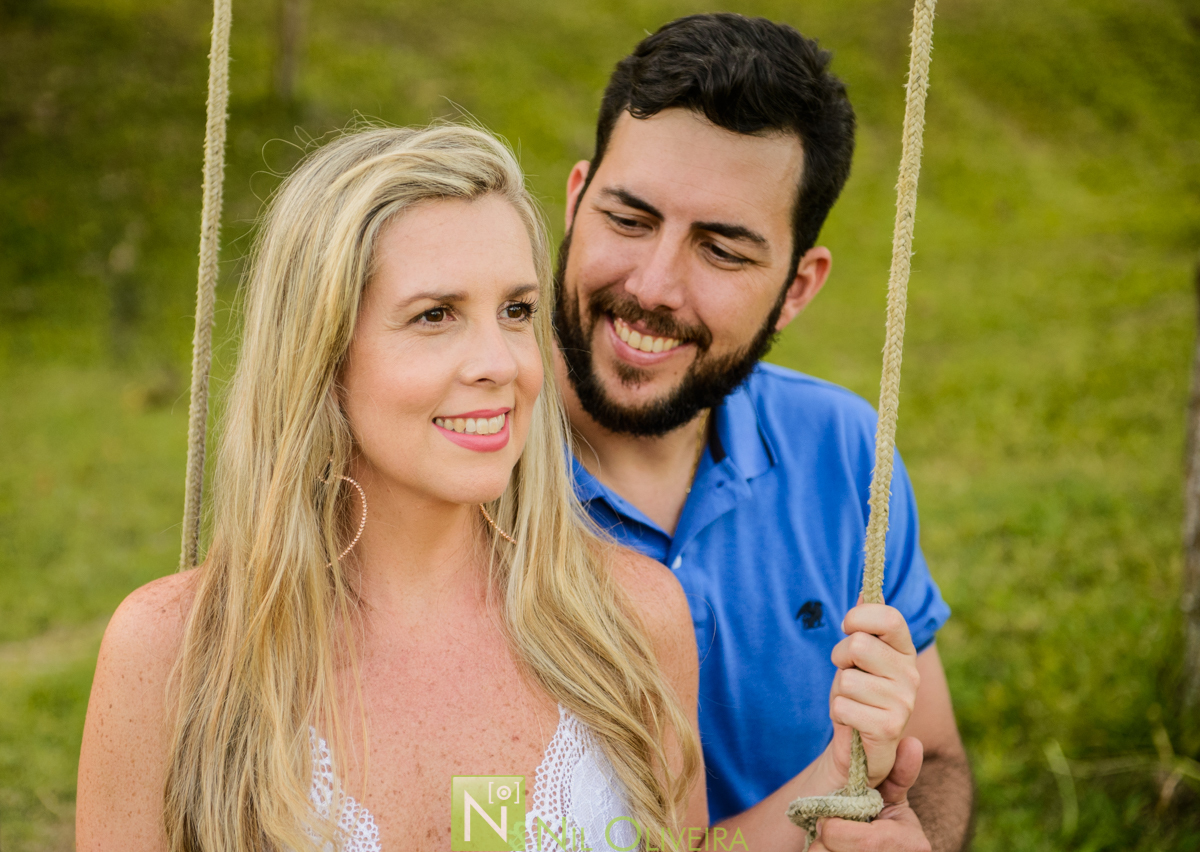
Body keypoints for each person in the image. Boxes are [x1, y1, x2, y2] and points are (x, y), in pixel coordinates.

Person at [76, 124, 920, 852]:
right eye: (435, 315)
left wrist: (835, 770)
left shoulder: (630, 618)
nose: (500, 366)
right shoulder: (175, 652)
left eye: (516, 311)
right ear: (322, 356)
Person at [553, 14, 973, 852]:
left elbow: (940, 761)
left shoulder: (846, 450)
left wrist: (914, 834)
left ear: (796, 288)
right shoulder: (457, 467)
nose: (653, 285)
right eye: (628, 219)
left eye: (722, 250)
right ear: (575, 200)